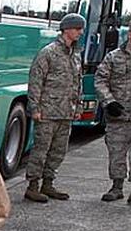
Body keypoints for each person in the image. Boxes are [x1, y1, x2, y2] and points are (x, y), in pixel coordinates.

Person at [25, 13, 85, 203]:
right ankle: (33, 186)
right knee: (41, 150)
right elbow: (36, 81)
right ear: (66, 29)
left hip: (66, 112)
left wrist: (78, 105)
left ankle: (48, 183)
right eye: (77, 28)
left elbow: (78, 82)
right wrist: (34, 107)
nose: (80, 32)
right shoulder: (48, 52)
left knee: (58, 150)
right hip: (47, 112)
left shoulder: (75, 54)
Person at [94, 36, 131, 203]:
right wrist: (109, 102)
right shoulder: (113, 57)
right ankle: (117, 187)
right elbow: (100, 80)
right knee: (116, 153)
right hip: (118, 116)